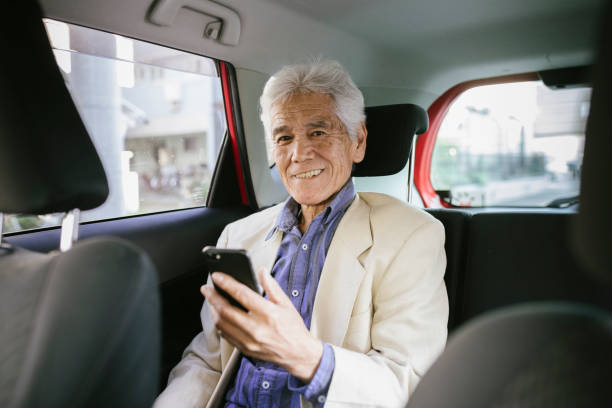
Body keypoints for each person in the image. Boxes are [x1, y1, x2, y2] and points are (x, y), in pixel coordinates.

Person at [154, 60, 448, 408]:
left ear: (358, 142)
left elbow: (408, 384)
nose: (298, 154)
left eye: (318, 132)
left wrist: (308, 357)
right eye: (284, 137)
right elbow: (206, 360)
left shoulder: (411, 236)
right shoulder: (238, 235)